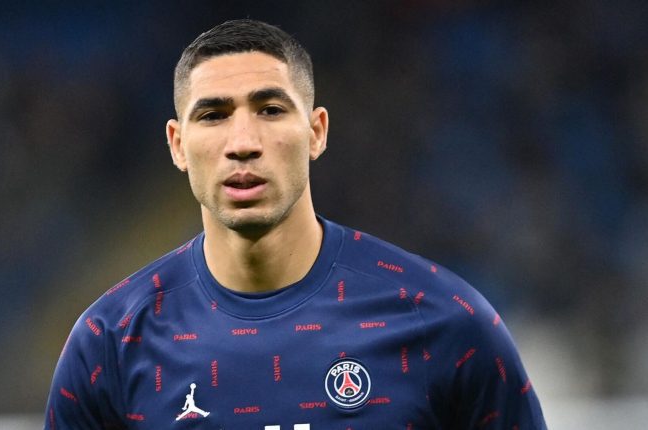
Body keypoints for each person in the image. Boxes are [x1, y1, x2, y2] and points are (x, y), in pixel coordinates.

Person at [44, 19, 547, 429]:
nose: (243, 142)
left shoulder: (444, 322)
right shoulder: (110, 343)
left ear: (316, 132)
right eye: (214, 115)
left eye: (270, 109)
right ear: (177, 145)